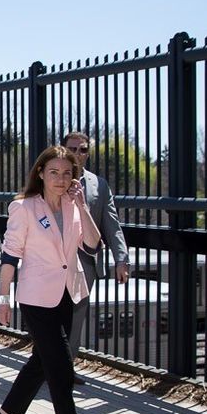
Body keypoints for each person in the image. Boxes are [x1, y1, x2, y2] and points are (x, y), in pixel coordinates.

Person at [0, 145, 107, 414]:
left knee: (43, 359)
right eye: (54, 172)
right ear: (40, 173)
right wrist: (3, 298)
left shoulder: (74, 205)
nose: (60, 179)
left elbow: (93, 243)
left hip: (68, 293)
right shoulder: (24, 207)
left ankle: (8, 411)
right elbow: (10, 254)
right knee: (60, 366)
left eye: (67, 173)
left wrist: (82, 206)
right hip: (36, 297)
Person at [61, 131, 130, 384]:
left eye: (83, 149)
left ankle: (65, 367)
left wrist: (121, 258)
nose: (78, 154)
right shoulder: (52, 178)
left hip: (85, 261)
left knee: (76, 315)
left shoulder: (99, 185)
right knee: (51, 313)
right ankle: (46, 363)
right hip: (53, 258)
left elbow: (112, 224)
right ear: (63, 149)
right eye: (73, 149)